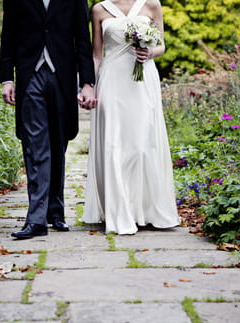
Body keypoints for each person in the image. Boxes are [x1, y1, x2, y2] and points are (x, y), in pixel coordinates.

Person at [0, 0, 97, 239]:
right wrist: (6, 79)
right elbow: (8, 34)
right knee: (35, 146)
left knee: (58, 143)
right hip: (29, 74)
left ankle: (56, 212)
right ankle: (36, 219)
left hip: (62, 76)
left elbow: (83, 40)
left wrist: (87, 83)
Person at [83, 0, 180, 235]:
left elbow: (162, 46)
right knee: (114, 144)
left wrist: (149, 52)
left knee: (143, 146)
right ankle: (119, 212)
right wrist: (89, 86)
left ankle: (145, 210)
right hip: (112, 80)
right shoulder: (99, 9)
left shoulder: (152, 4)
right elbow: (97, 55)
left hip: (143, 80)